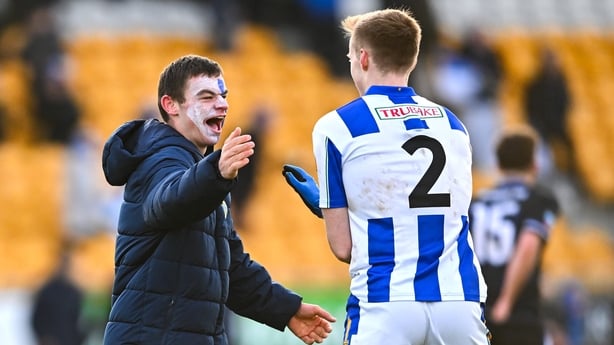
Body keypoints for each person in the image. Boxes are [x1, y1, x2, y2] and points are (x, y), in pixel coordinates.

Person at [282, 8, 489, 345]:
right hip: (458, 300)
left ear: (363, 58)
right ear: (413, 58)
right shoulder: (453, 124)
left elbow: (344, 247)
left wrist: (327, 207)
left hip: (385, 302)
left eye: (350, 56)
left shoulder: (338, 126)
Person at [101, 54, 335, 345]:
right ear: (170, 105)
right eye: (207, 96)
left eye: (223, 96)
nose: (222, 104)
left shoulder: (204, 176)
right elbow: (167, 202)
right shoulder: (159, 160)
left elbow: (230, 267)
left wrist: (286, 309)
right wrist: (217, 171)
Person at [468, 126, 561, 345]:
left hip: (478, 311)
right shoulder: (539, 199)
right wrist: (506, 301)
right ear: (534, 165)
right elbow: (528, 245)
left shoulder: (477, 202)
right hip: (518, 314)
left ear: (498, 165)